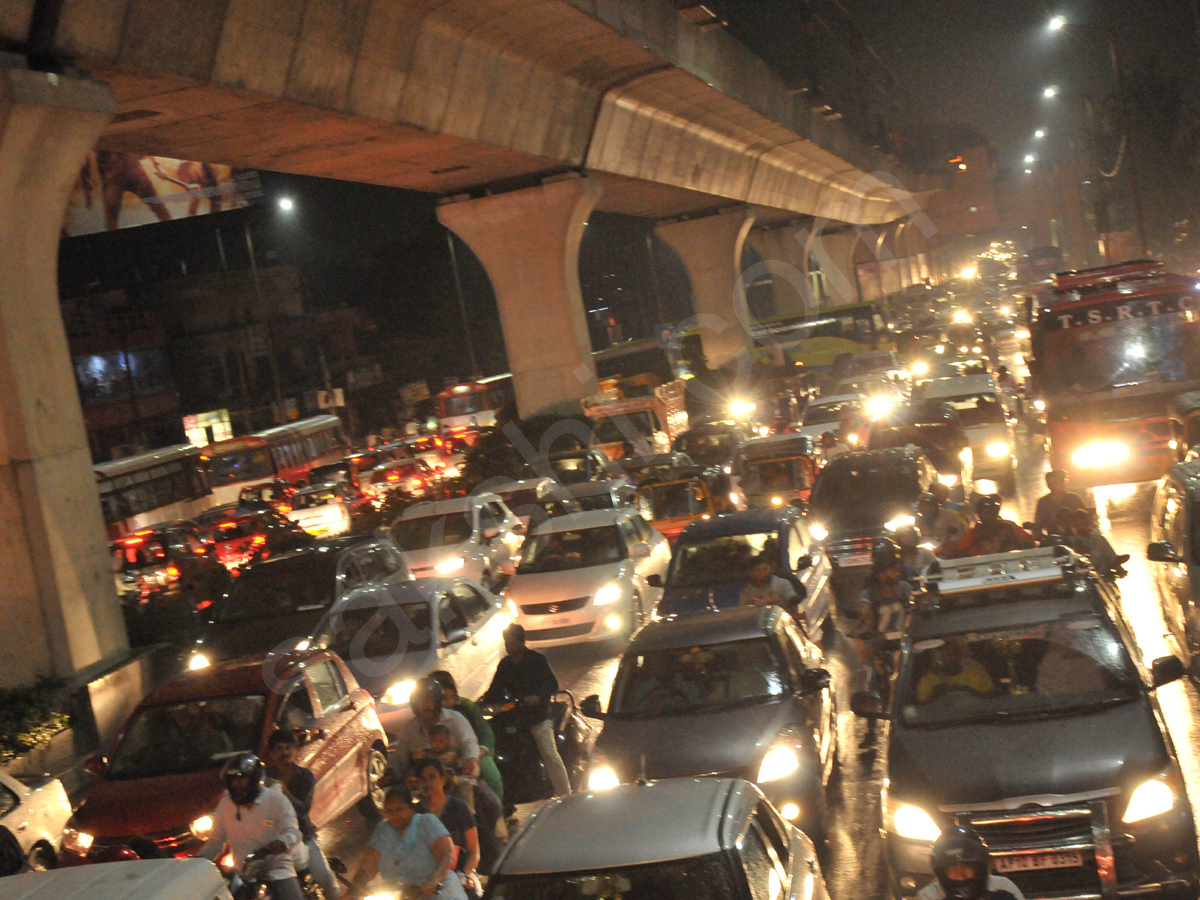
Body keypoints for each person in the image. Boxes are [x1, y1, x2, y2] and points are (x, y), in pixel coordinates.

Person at [396, 678, 503, 873]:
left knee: (489, 804)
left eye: (429, 701)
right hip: (423, 788)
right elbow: (399, 758)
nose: (425, 708)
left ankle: (485, 857)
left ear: (437, 702)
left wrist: (471, 759)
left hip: (457, 780)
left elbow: (470, 743)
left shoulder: (456, 720)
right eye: (421, 701)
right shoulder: (411, 729)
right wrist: (390, 772)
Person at [482, 624, 572, 798]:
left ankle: (565, 794)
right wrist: (483, 703)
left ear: (522, 642)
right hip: (514, 716)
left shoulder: (537, 661)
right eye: (507, 643)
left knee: (549, 752)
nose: (510, 647)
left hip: (537, 716)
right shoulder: (505, 665)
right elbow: (495, 689)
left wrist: (537, 697)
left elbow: (552, 684)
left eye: (513, 643)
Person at [199, 753, 305, 900]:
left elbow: (292, 830)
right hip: (243, 873)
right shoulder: (225, 805)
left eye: (242, 779)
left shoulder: (276, 800)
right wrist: (198, 861)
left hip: (275, 867)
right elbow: (216, 840)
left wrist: (281, 843)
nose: (237, 784)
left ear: (255, 779)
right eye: (233, 780)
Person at [352, 785, 467, 900]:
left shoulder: (427, 823)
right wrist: (351, 891)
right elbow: (367, 867)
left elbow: (446, 855)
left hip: (437, 892)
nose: (394, 816)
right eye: (389, 811)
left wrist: (434, 880)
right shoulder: (382, 831)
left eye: (399, 810)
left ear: (411, 808)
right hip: (399, 893)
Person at [264, 730, 340, 900]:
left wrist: (284, 791)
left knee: (325, 878)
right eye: (278, 748)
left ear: (296, 749)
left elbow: (304, 808)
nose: (284, 753)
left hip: (303, 837)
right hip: (274, 842)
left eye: (288, 748)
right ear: (271, 753)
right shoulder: (263, 778)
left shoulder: (305, 776)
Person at [856, 539, 913, 748]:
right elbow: (865, 613)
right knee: (874, 688)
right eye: (892, 570)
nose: (896, 573)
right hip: (882, 647)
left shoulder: (905, 588)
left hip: (905, 645)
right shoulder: (869, 592)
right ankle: (871, 731)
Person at [428, 670, 504, 807]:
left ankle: (498, 813)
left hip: (471, 755)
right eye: (443, 698)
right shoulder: (426, 714)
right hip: (439, 758)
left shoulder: (466, 707)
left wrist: (479, 751)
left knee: (489, 774)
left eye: (451, 696)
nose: (448, 702)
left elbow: (484, 732)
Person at [415, 757, 481, 898]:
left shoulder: (459, 808)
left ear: (443, 780)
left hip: (460, 874)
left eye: (432, 777)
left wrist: (463, 875)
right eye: (423, 779)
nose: (427, 783)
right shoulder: (415, 813)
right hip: (427, 880)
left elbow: (473, 851)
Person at [918, 825, 1024, 900]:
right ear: (942, 872)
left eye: (965, 867)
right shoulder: (928, 896)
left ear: (979, 868)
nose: (959, 875)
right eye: (952, 868)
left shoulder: (1003, 887)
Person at [944, 495, 1035, 557]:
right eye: (984, 512)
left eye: (989, 511)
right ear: (978, 514)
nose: (987, 515)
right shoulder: (974, 533)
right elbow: (962, 549)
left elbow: (1028, 540)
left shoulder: (1009, 526)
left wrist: (1025, 545)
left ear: (995, 511)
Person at [916, 638, 995, 702]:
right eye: (945, 649)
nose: (950, 654)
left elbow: (991, 699)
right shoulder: (928, 679)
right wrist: (936, 694)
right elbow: (924, 708)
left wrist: (973, 694)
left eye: (954, 651)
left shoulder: (978, 673)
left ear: (959, 653)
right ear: (939, 655)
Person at [427, 723, 475, 812]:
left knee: (464, 788)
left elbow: (460, 761)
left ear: (447, 741)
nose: (437, 744)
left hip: (454, 778)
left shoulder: (451, 752)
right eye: (434, 741)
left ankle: (468, 812)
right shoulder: (429, 755)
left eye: (441, 741)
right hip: (438, 781)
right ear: (430, 740)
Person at [1033, 470, 1086, 537]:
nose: (1052, 487)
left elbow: (1084, 520)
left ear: (1063, 483)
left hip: (1075, 537)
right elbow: (1038, 524)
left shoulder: (1073, 499)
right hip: (1053, 538)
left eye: (1055, 484)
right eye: (1049, 484)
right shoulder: (1043, 502)